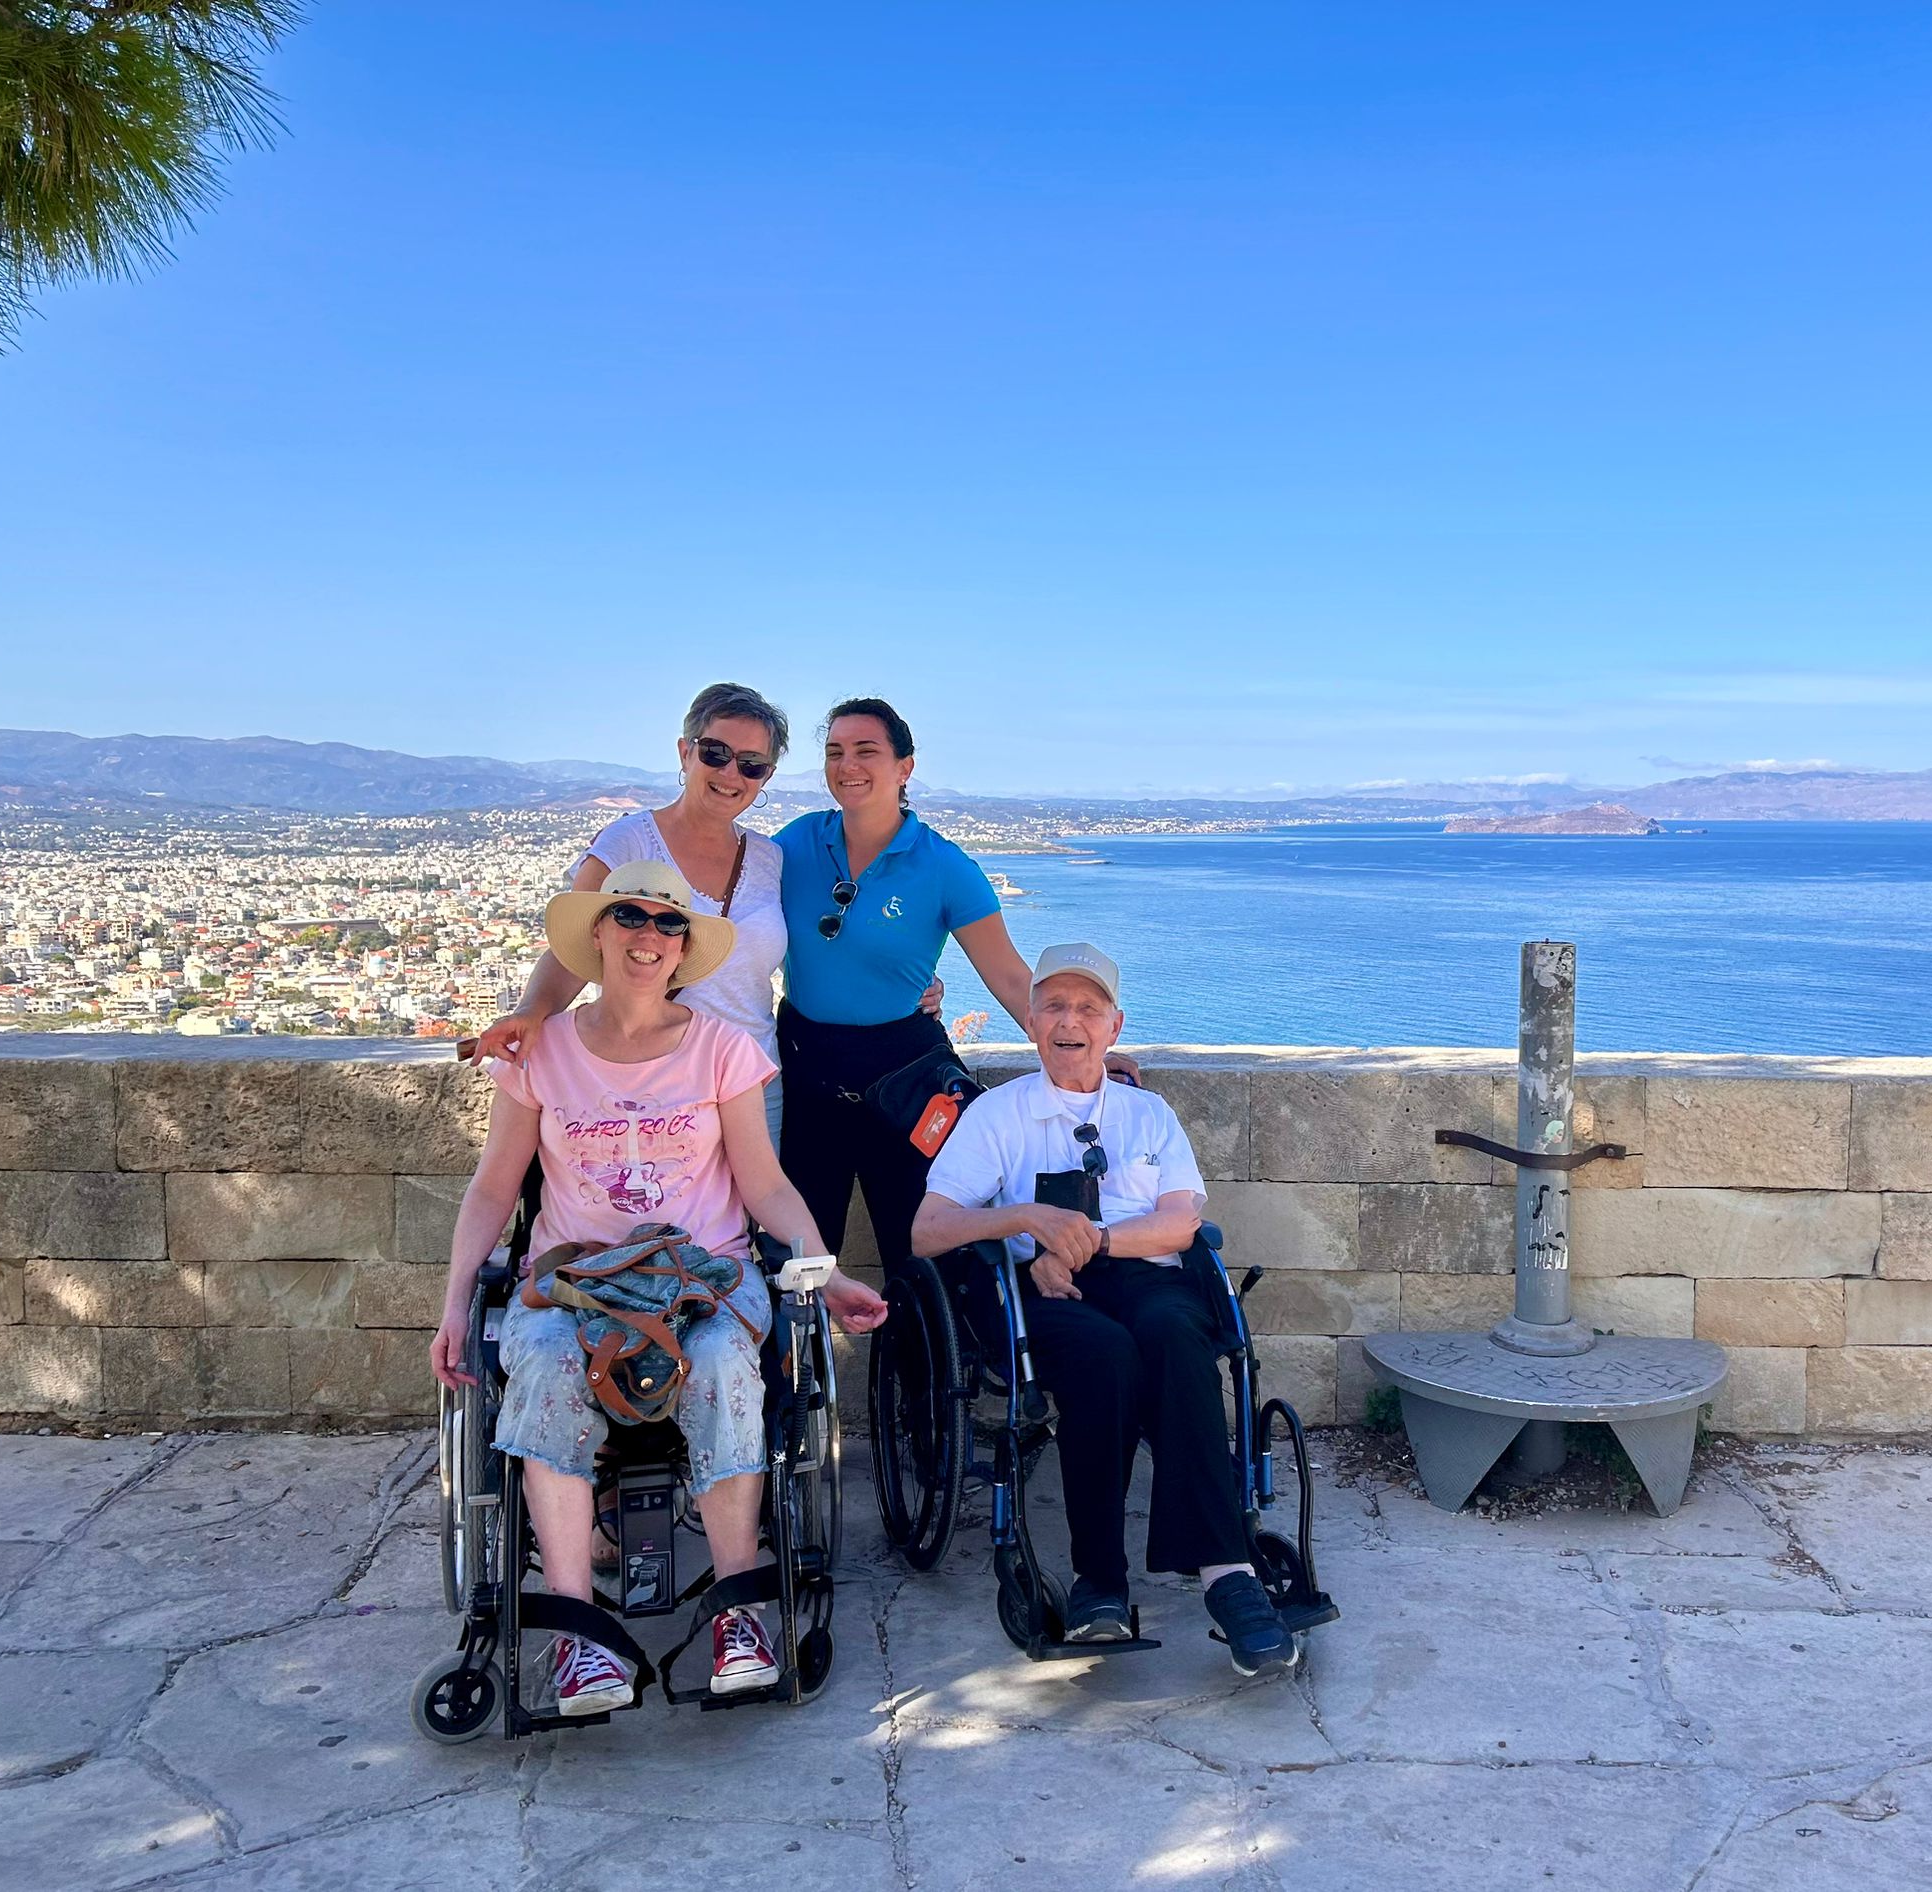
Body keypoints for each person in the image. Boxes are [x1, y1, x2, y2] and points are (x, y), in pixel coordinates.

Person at [431, 861, 887, 1715]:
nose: (649, 937)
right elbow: (494, 1188)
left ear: (683, 948)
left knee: (719, 1363)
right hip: (576, 1283)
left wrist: (827, 1277)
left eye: (668, 924)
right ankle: (578, 1635)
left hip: (701, 1276)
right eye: (630, 917)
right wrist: (455, 1302)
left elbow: (765, 1186)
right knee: (547, 1369)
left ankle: (739, 1616)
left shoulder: (723, 1051)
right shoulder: (542, 1052)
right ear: (597, 934)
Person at [909, 941, 1296, 1680]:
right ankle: (1101, 1580)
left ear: (1114, 1027)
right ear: (1031, 1021)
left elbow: (1180, 1223)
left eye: (1088, 1008)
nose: (1070, 1021)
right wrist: (1028, 1221)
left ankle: (1227, 1573)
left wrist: (1090, 1240)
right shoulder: (997, 1115)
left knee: (1178, 1338)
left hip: (1139, 1271)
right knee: (1102, 1356)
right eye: (1054, 1006)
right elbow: (929, 1230)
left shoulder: (1148, 1115)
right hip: (1038, 1287)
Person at [469, 681, 942, 1148]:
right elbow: (574, 945)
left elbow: (817, 938)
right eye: (716, 753)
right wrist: (531, 1011)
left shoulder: (770, 857)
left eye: (751, 764)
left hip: (753, 1083)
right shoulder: (628, 844)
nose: (731, 773)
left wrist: (904, 982)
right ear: (685, 752)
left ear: (766, 776)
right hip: (649, 1083)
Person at [775, 696, 1138, 1282]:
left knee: (920, 1262)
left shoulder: (944, 866)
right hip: (804, 1069)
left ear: (905, 767)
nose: (848, 765)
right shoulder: (794, 843)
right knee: (798, 1260)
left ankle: (919, 1349)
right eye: (835, 752)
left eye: (866, 750)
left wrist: (1076, 1047)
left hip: (903, 1079)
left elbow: (1010, 976)